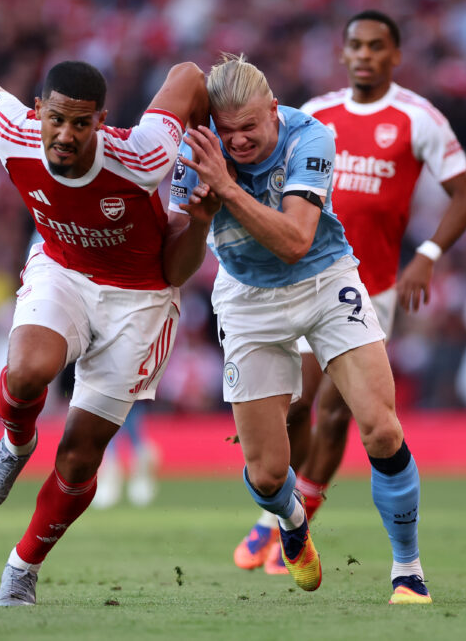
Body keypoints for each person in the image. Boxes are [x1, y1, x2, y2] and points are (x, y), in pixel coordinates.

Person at [0, 59, 210, 606]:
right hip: (62, 269)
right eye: (57, 120)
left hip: (139, 300)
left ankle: (22, 567)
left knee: (80, 456)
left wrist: (217, 139)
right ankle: (15, 444)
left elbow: (187, 75)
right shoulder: (15, 131)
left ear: (101, 122)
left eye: (82, 124)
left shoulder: (144, 154)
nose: (66, 135)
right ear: (38, 111)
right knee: (26, 371)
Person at [169, 52, 433, 603]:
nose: (238, 141)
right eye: (228, 130)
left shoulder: (310, 136)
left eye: (250, 127)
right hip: (245, 300)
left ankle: (407, 569)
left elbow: (295, 242)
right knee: (267, 475)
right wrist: (196, 224)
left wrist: (229, 188)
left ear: (273, 110)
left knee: (382, 429)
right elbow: (178, 265)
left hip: (324, 281)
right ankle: (291, 523)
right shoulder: (191, 152)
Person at [231, 10, 466, 579]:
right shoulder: (316, 115)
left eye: (377, 46)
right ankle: (282, 518)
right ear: (342, 54)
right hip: (300, 280)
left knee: (341, 411)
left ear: (395, 55)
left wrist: (429, 255)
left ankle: (303, 518)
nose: (365, 54)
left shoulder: (419, 119)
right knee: (296, 405)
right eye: (356, 46)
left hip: (375, 286)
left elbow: (465, 197)